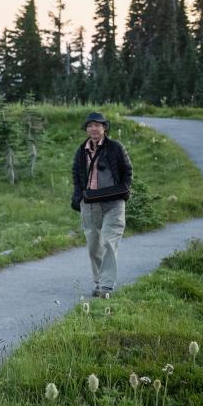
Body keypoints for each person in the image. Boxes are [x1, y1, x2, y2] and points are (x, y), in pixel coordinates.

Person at [71, 111, 133, 298]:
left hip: (114, 203)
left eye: (97, 125)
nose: (93, 128)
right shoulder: (81, 151)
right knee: (93, 245)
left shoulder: (115, 147)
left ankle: (106, 286)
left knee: (108, 241)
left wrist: (124, 189)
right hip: (89, 204)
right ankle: (98, 282)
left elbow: (127, 171)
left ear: (104, 127)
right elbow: (76, 176)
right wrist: (78, 197)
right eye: (90, 125)